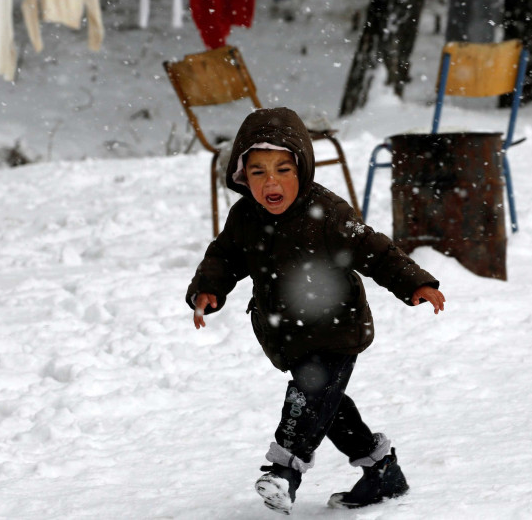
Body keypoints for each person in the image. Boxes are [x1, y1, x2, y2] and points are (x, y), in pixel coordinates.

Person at [185, 107, 446, 514]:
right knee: (329, 406)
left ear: (302, 170)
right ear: (241, 176)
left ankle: (284, 471)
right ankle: (382, 472)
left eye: (283, 169)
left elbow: (373, 250)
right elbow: (223, 257)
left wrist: (415, 282)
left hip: (336, 328)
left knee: (309, 395)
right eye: (258, 172)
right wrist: (207, 290)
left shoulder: (326, 212)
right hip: (287, 334)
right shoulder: (245, 218)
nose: (271, 181)